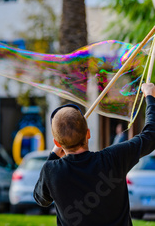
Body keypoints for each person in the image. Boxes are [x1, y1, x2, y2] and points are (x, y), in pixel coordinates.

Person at [33, 83, 155, 226]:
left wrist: (54, 154)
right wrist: (150, 96)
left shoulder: (51, 170)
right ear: (88, 133)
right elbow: (150, 136)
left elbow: (41, 198)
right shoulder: (112, 158)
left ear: (57, 142)